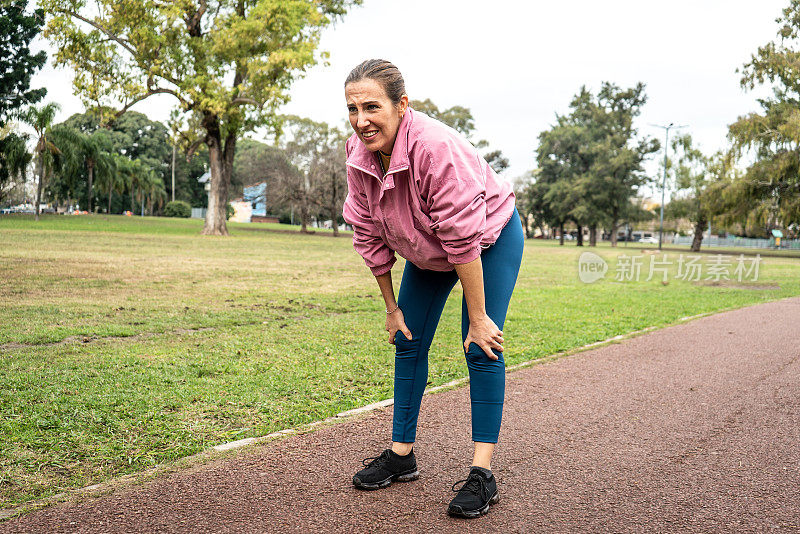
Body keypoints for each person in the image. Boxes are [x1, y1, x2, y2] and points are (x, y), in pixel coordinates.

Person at [342, 59, 524, 519]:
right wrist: (391, 308)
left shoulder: (434, 146)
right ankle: (402, 454)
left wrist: (479, 317)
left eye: (372, 107)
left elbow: (463, 237)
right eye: (352, 109)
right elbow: (366, 230)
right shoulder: (358, 155)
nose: (362, 120)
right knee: (407, 339)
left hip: (487, 238)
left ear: (402, 105)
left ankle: (482, 472)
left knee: (481, 346)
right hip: (428, 246)